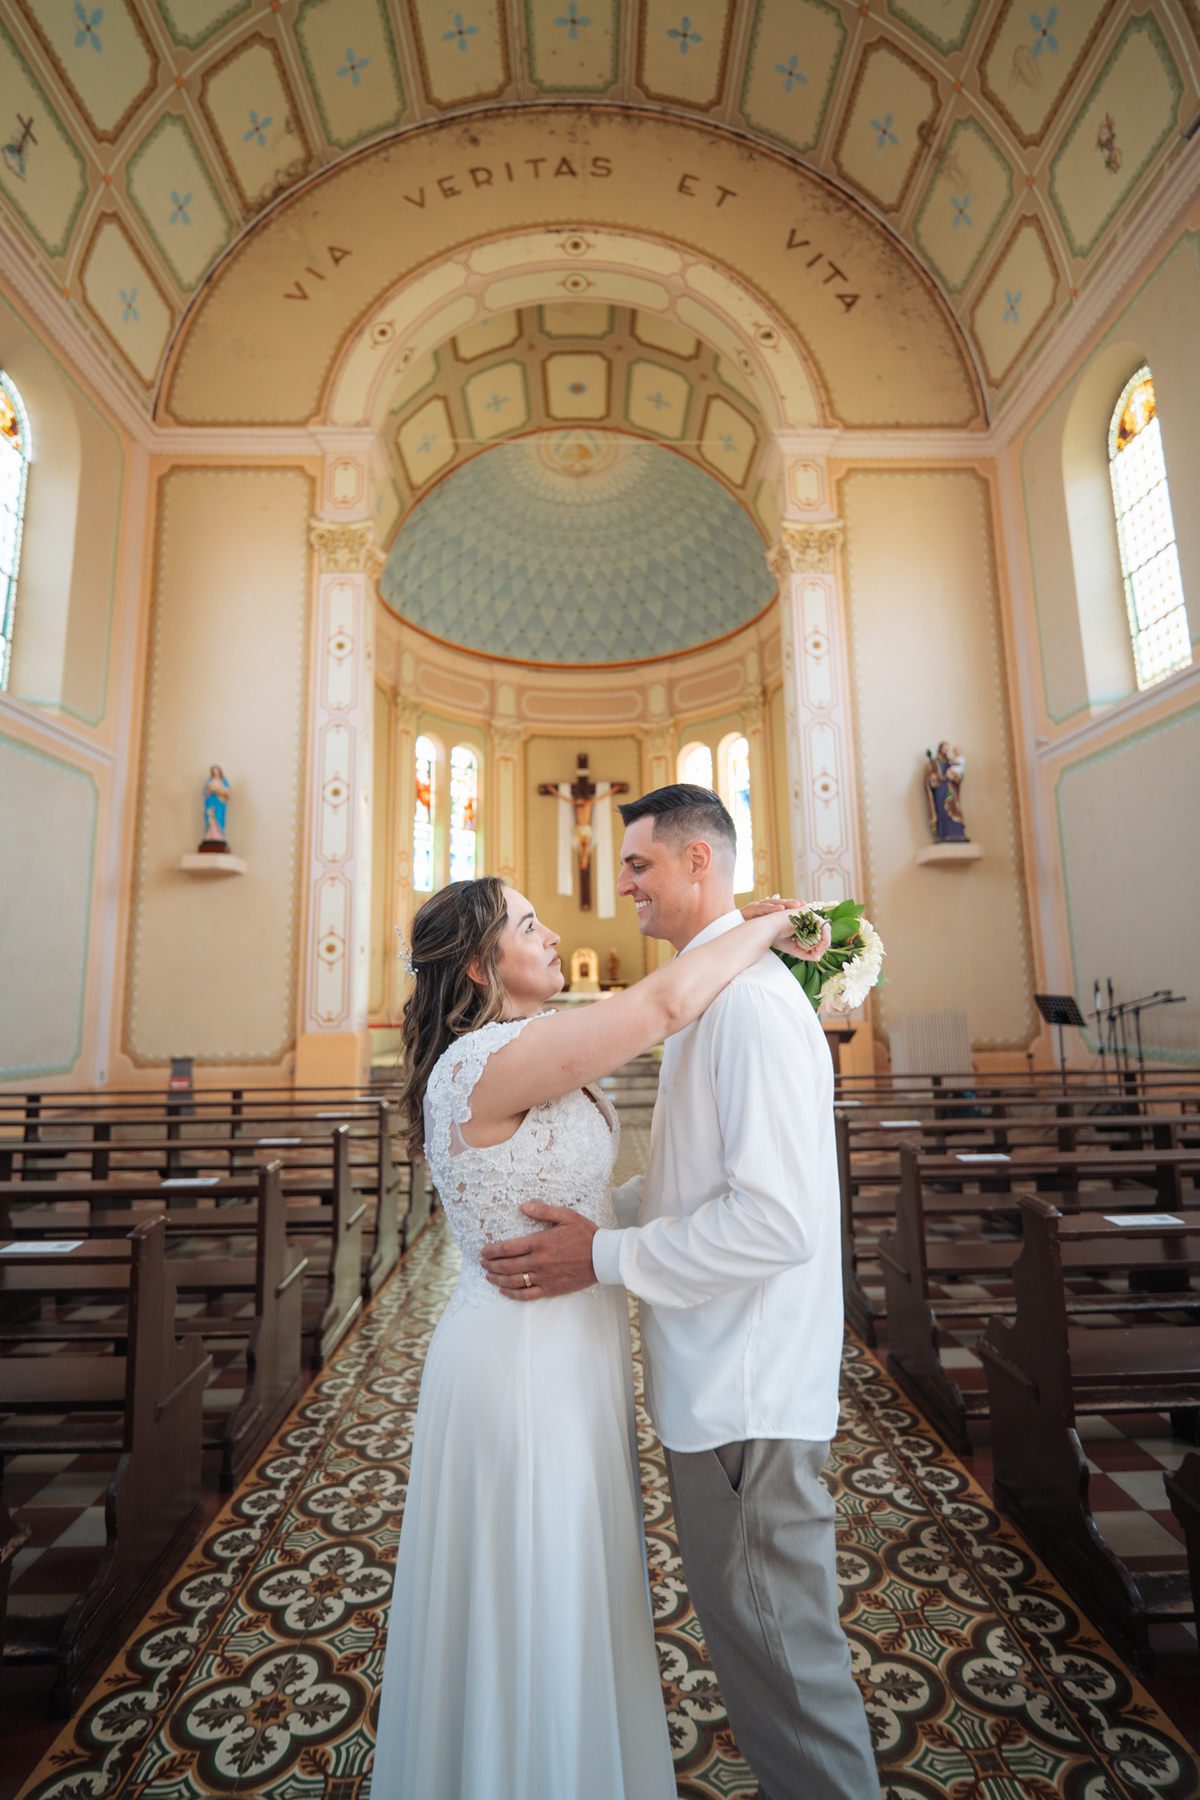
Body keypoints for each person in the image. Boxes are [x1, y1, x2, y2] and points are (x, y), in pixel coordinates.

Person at [369, 872, 809, 1800]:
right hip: (520, 1359)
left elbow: (564, 1200)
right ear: (485, 966)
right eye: (529, 925)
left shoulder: (521, 1051)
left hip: (568, 1339)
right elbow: (665, 1000)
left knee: (570, 1580)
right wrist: (766, 929)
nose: (552, 932)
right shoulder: (487, 1059)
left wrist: (612, 1239)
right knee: (535, 1585)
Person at [482, 785, 880, 1800]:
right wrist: (606, 1217)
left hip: (746, 1398)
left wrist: (602, 1260)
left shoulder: (743, 1006)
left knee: (791, 1682)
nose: (621, 885)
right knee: (767, 1666)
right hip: (727, 1387)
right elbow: (701, 1184)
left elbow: (774, 1222)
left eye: (641, 865)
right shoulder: (717, 995)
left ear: (702, 862)